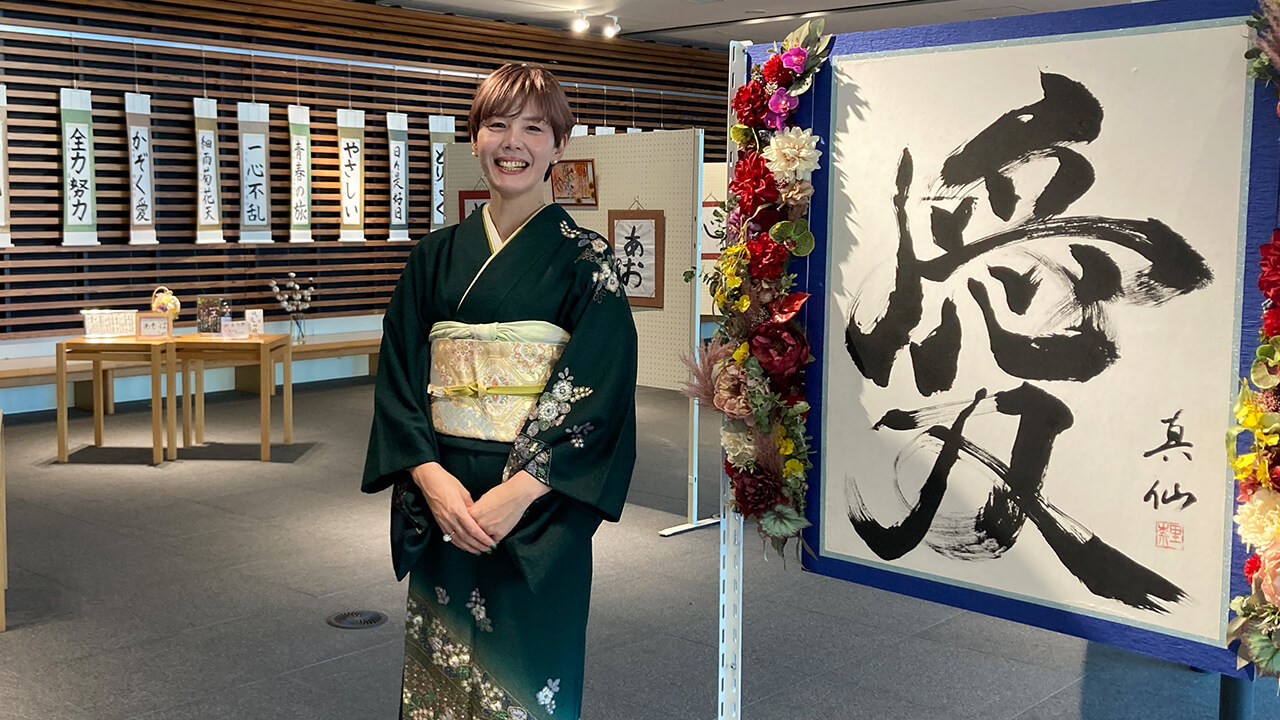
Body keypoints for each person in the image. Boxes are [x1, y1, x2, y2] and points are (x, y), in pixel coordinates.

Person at [362, 63, 638, 720]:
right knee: (439, 676)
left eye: (533, 129)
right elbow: (399, 377)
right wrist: (430, 479)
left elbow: (600, 392)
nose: (513, 143)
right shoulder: (432, 258)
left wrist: (521, 491)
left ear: (559, 145)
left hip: (537, 508)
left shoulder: (586, 260)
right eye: (497, 125)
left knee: (527, 672)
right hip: (447, 498)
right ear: (475, 137)